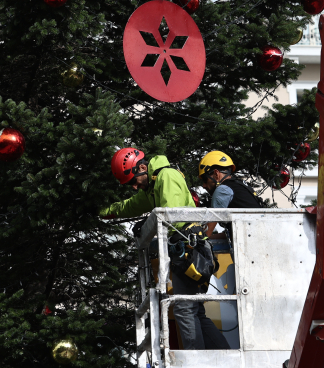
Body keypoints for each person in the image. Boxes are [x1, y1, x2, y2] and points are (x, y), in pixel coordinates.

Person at [100, 148, 229, 351]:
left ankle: (194, 363)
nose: (134, 187)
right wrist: (102, 212)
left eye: (134, 181)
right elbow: (129, 205)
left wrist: (149, 223)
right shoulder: (152, 188)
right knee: (194, 310)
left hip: (189, 249)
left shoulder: (166, 176)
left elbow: (172, 214)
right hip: (188, 250)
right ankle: (224, 354)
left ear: (142, 167)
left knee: (185, 310)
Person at [198, 150, 264, 209]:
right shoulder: (239, 185)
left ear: (216, 174)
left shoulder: (223, 189)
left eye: (205, 180)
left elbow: (212, 221)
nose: (204, 185)